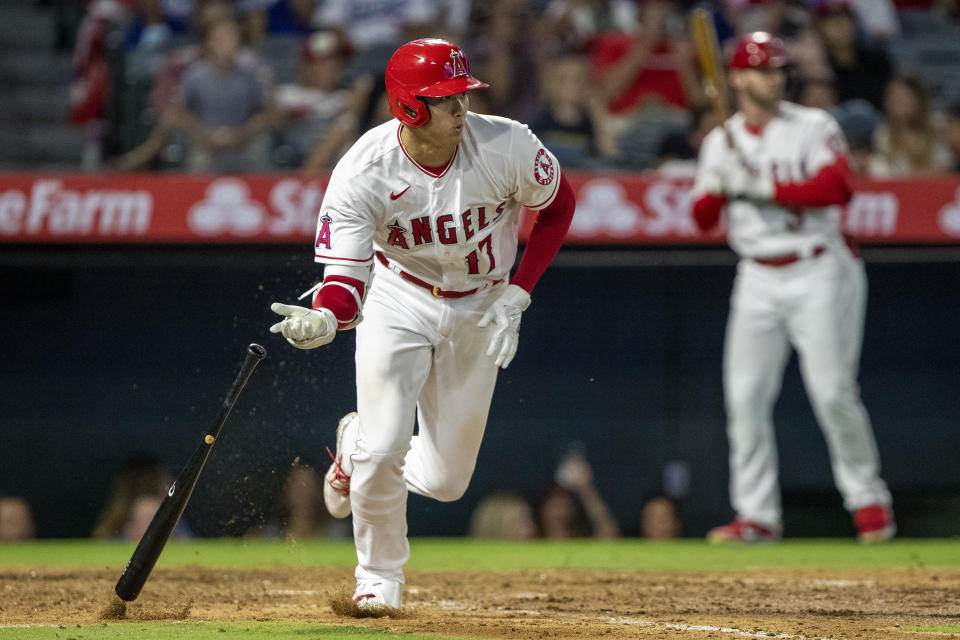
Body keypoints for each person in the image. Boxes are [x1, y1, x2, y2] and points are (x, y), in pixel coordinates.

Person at [268, 38, 575, 611]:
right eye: (447, 99)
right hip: (398, 296)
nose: (463, 109)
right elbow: (345, 282)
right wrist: (324, 320)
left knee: (446, 481)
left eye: (463, 95)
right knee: (387, 447)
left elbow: (558, 206)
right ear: (409, 108)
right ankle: (379, 577)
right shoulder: (362, 169)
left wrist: (520, 290)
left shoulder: (505, 143)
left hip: (482, 302)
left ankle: (351, 450)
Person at [691, 32, 895, 544]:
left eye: (779, 69)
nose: (774, 78)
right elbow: (702, 219)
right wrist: (721, 182)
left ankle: (869, 503)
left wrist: (759, 186)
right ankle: (757, 515)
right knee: (746, 397)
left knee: (832, 393)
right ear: (737, 78)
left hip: (818, 266)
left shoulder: (812, 125)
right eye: (762, 70)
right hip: (757, 274)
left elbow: (838, 188)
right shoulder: (721, 142)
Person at [534, 450, 620, 539]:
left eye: (564, 505)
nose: (559, 511)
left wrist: (586, 489)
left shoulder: (580, 541)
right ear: (542, 508)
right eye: (554, 505)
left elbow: (608, 531)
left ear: (574, 510)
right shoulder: (529, 539)